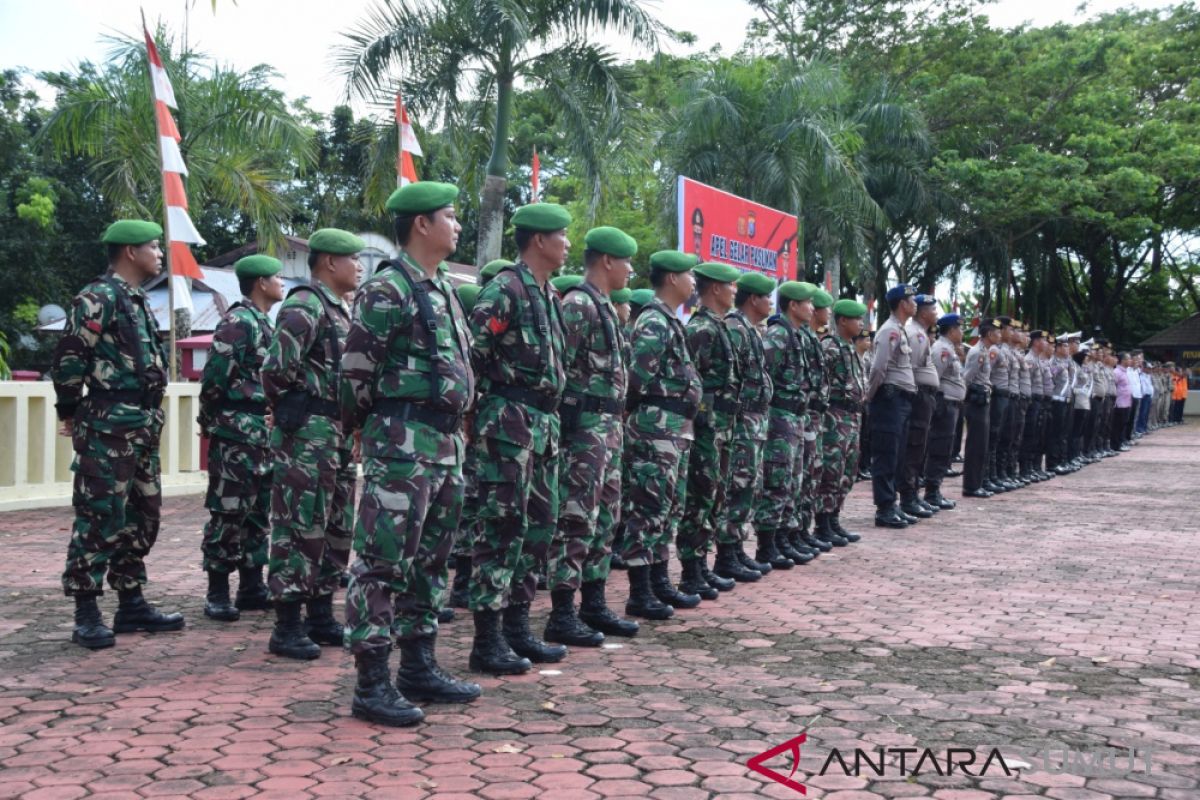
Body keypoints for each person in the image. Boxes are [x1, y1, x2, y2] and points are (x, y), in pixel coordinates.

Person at [339, 183, 481, 726]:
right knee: (382, 561)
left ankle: (418, 666)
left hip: (445, 444)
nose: (458, 226)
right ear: (422, 225)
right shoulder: (388, 289)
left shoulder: (441, 287)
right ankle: (371, 682)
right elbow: (355, 372)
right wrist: (367, 432)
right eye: (450, 216)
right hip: (401, 443)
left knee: (431, 560)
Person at [51, 219, 184, 650]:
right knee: (99, 513)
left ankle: (131, 603)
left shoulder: (136, 299)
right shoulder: (97, 297)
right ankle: (86, 612)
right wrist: (68, 409)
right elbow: (71, 356)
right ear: (130, 252)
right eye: (153, 246)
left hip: (142, 422)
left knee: (142, 516)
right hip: (108, 421)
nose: (159, 253)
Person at [466, 203, 570, 674]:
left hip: (542, 426)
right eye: (561, 235)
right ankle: (486, 640)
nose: (568, 244)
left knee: (538, 530)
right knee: (502, 528)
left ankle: (517, 629)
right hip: (508, 424)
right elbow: (474, 353)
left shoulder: (547, 295)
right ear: (539, 241)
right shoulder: (505, 289)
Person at [261, 228, 361, 660]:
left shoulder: (341, 310)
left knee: (338, 524)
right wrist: (293, 414)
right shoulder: (305, 305)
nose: (359, 267)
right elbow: (276, 370)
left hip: (336, 431)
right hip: (308, 432)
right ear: (328, 263)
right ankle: (287, 624)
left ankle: (321, 614)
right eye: (353, 259)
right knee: (299, 525)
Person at [547, 226, 640, 646]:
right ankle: (562, 612)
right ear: (607, 261)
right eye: (626, 262)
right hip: (582, 432)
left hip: (608, 432)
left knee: (604, 518)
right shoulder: (579, 305)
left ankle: (594, 603)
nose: (631, 270)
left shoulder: (603, 306)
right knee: (575, 518)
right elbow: (558, 372)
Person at [198, 254, 285, 622]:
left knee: (257, 514)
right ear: (261, 282)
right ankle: (217, 591)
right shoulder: (238, 322)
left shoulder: (265, 323)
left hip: (262, 434)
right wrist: (211, 421)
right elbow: (215, 378)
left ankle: (251, 586)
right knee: (228, 512)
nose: (282, 283)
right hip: (236, 431)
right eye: (277, 277)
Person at [620, 251, 703, 618]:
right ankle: (640, 591)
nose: (693, 283)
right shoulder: (654, 321)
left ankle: (658, 581)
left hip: (674, 429)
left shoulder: (670, 320)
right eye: (688, 275)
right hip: (656, 427)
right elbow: (636, 379)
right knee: (649, 506)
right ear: (671, 278)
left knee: (669, 507)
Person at [677, 261, 747, 599]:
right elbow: (690, 381)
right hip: (706, 427)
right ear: (716, 288)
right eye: (730, 285)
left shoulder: (718, 326)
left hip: (722, 426)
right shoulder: (700, 329)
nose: (735, 290)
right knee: (700, 497)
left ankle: (702, 566)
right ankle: (691, 570)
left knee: (715, 496)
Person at [723, 274, 795, 570]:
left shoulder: (750, 330)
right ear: (754, 299)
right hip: (741, 421)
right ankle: (726, 554)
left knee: (750, 486)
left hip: (756, 421)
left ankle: (737, 549)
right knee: (737, 486)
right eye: (767, 298)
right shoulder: (735, 328)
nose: (770, 303)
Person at [752, 281, 819, 572]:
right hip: (779, 417)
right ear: (793, 305)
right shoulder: (778, 335)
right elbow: (764, 375)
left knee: (792, 482)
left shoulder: (796, 335)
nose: (813, 308)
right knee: (777, 480)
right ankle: (767, 546)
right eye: (808, 303)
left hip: (795, 417)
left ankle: (781, 539)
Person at [814, 299, 869, 543]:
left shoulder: (849, 348)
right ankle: (823, 524)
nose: (861, 324)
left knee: (847, 471)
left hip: (852, 418)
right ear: (843, 321)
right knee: (830, 471)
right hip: (834, 418)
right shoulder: (831, 347)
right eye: (857, 319)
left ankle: (834, 519)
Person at [865, 284, 918, 528]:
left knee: (897, 455)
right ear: (901, 303)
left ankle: (892, 504)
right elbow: (878, 368)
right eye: (911, 299)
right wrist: (870, 397)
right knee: (886, 455)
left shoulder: (900, 330)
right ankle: (884, 508)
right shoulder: (889, 331)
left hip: (901, 400)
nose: (915, 302)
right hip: (889, 399)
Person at [899, 293, 941, 518]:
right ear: (924, 312)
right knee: (914, 447)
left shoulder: (921, 333)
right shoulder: (916, 334)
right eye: (933, 310)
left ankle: (913, 494)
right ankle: (908, 497)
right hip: (918, 397)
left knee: (919, 448)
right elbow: (911, 371)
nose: (936, 314)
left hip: (925, 397)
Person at [923, 313, 965, 509]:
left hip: (951, 404)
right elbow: (935, 379)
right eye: (960, 328)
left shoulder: (950, 349)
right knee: (939, 447)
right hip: (944, 403)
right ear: (951, 330)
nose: (962, 332)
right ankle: (931, 492)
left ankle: (935, 490)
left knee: (945, 448)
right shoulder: (942, 349)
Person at [962, 317, 1001, 497]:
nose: (999, 335)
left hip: (983, 399)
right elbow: (967, 378)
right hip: (976, 401)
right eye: (997, 332)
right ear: (989, 334)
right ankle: (971, 486)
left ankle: (976, 483)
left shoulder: (984, 351)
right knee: (975, 445)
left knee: (981, 444)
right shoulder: (978, 352)